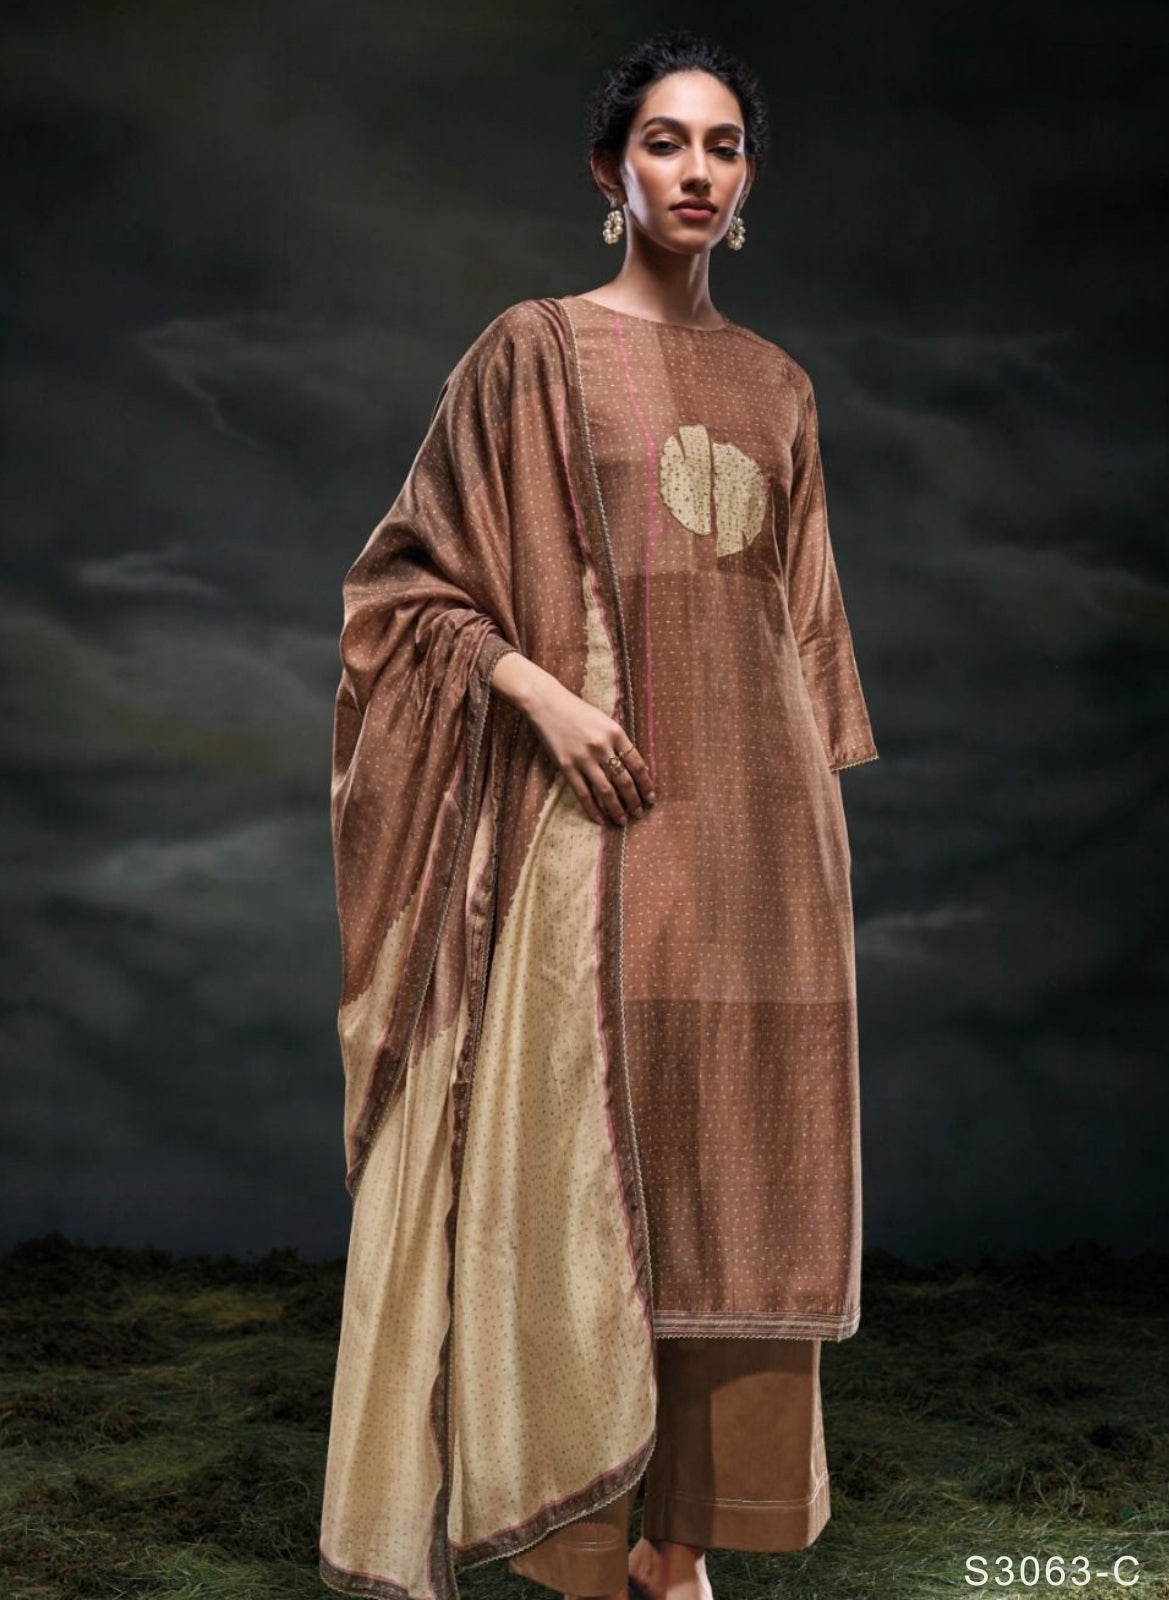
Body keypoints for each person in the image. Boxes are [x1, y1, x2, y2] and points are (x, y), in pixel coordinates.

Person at [319, 29, 879, 1600]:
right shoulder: (529, 353)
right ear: (607, 169)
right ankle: (574, 1538)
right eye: (664, 141)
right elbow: (399, 593)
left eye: (723, 146)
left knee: (737, 1176)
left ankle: (678, 1551)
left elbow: (803, 650)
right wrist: (540, 697)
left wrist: (799, 843)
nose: (695, 171)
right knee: (576, 1173)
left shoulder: (780, 388)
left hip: (762, 854)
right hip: (591, 839)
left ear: (747, 182)